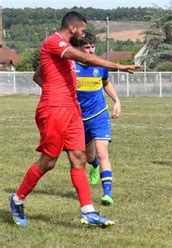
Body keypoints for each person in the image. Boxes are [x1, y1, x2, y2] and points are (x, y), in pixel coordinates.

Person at [9, 11, 138, 227]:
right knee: (49, 161)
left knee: (79, 158)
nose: (84, 34)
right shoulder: (54, 42)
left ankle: (88, 211)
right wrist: (118, 66)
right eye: (83, 30)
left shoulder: (65, 50)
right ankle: (17, 199)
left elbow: (41, 75)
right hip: (54, 110)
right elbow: (84, 58)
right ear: (73, 28)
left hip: (72, 110)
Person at [74, 32, 119, 206]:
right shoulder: (71, 66)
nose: (91, 51)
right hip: (79, 117)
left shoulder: (100, 65)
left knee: (102, 153)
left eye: (93, 47)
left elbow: (106, 82)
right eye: (87, 47)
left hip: (99, 114)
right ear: (79, 48)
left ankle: (107, 193)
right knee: (88, 155)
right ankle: (93, 165)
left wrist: (117, 101)